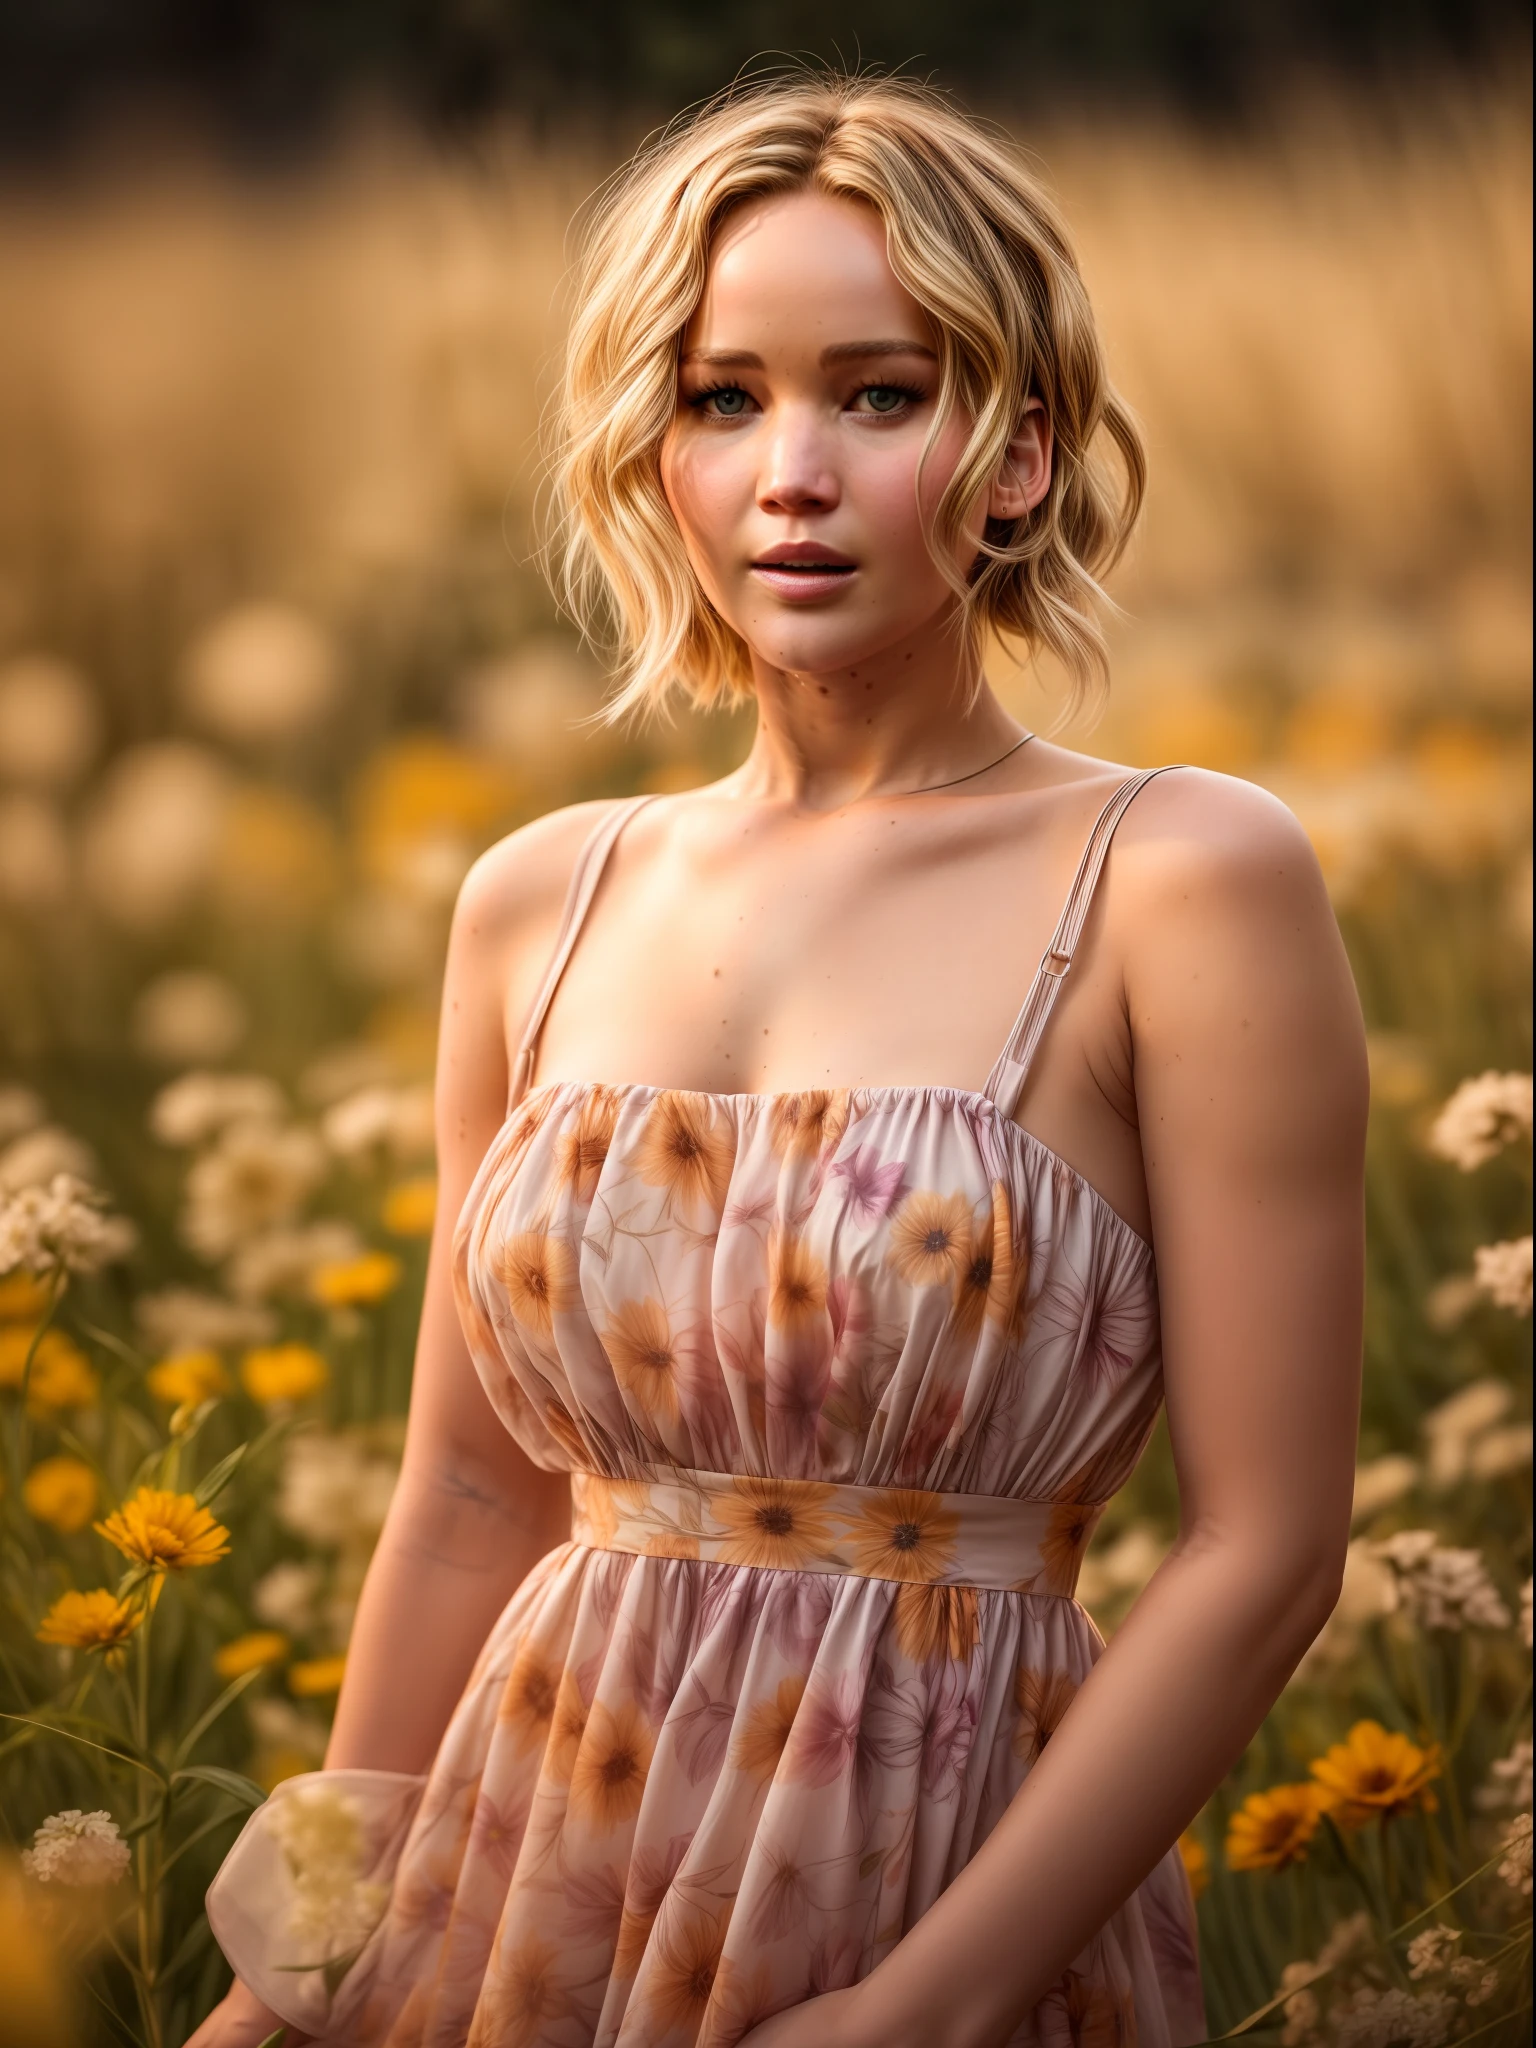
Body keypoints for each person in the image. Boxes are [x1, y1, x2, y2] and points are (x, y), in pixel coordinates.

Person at [189, 70, 1366, 2048]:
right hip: (517, 1882)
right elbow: (474, 1493)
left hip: (938, 1887)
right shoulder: (537, 897)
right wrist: (300, 1979)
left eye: (882, 394)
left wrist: (924, 2004)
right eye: (723, 398)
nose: (788, 472)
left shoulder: (1179, 875)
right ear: (652, 452)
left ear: (1019, 455)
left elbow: (1269, 1550)